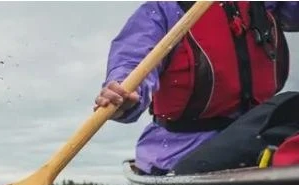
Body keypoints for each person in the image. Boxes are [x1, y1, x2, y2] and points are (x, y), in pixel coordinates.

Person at [94, 1, 299, 175]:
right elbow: (130, 63)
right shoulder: (160, 11)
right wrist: (124, 94)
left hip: (259, 137)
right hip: (181, 153)